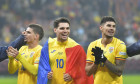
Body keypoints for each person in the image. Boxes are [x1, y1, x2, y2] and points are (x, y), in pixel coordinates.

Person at [37, 17, 93, 84]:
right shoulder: (48, 45)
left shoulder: (76, 48)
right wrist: (46, 74)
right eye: (62, 28)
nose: (65, 31)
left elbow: (84, 71)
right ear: (55, 30)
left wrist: (72, 75)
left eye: (67, 28)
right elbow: (42, 67)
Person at [85, 16, 128, 84]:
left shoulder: (120, 45)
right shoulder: (93, 45)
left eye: (114, 26)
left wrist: (104, 59)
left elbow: (119, 71)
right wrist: (96, 62)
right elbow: (88, 72)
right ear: (101, 28)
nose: (112, 28)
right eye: (109, 25)